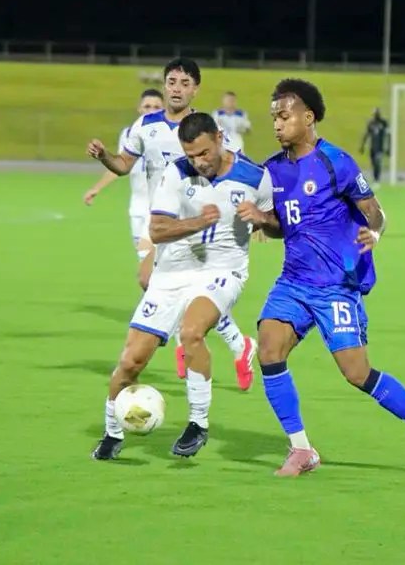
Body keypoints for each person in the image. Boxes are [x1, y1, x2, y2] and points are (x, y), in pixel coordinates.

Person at [238, 79, 405, 478]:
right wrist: (262, 220)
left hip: (336, 285)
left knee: (357, 373)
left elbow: (375, 212)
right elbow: (284, 226)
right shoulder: (273, 170)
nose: (277, 125)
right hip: (293, 282)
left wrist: (374, 234)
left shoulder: (334, 162)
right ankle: (301, 449)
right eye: (273, 118)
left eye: (284, 116)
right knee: (269, 349)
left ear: (308, 117)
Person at [92, 113, 274, 460]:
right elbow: (158, 230)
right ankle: (112, 434)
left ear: (220, 138)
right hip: (172, 272)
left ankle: (198, 424)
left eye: (204, 153)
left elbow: (277, 224)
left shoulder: (255, 176)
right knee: (131, 361)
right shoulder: (177, 172)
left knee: (192, 331)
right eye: (191, 155)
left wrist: (264, 219)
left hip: (224, 270)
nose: (199, 162)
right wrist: (197, 222)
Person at [86, 58, 256, 389]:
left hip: (201, 226)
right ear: (165, 85)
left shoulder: (204, 129)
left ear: (195, 89)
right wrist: (104, 155)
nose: (177, 89)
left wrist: (251, 214)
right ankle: (232, 343)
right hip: (164, 226)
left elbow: (238, 166)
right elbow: (123, 165)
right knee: (155, 282)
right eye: (172, 82)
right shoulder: (145, 125)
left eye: (184, 83)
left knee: (150, 278)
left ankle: (194, 343)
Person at [83, 89, 164, 259]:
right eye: (147, 106)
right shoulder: (129, 135)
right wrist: (96, 188)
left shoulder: (170, 135)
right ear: (139, 109)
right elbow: (121, 166)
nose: (151, 110)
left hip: (160, 208)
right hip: (137, 207)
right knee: (145, 262)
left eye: (157, 106)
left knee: (150, 261)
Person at [359, 107, 390, 184]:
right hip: (373, 147)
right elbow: (367, 135)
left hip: (380, 147)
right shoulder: (371, 123)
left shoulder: (384, 123)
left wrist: (389, 147)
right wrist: (362, 146)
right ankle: (375, 178)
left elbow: (388, 135)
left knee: (377, 163)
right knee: (373, 163)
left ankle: (377, 180)